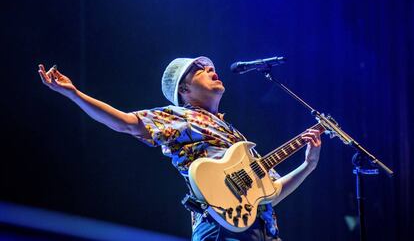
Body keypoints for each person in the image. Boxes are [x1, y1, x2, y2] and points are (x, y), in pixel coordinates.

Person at [38, 56, 321, 240]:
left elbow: (270, 194)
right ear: (183, 91)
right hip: (220, 229)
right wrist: (74, 93)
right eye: (199, 69)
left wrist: (307, 166)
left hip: (263, 232)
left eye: (210, 66)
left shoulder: (238, 139)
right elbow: (125, 123)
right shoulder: (178, 116)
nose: (211, 69)